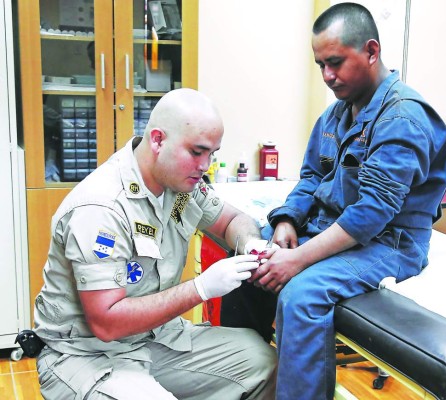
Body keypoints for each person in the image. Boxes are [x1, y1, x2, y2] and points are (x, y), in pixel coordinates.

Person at [249, 3, 446, 399]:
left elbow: (373, 212)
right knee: (251, 258)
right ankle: (251, 379)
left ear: (372, 52)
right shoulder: (335, 116)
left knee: (301, 294)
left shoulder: (403, 118)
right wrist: (287, 222)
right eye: (320, 65)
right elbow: (311, 177)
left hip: (390, 243)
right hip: (332, 229)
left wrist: (298, 260)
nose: (328, 76)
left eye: (336, 62)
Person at [33, 88, 277, 399]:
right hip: (87, 355)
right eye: (197, 152)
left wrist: (251, 243)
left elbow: (231, 221)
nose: (206, 165)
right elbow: (107, 323)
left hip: (155, 339)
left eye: (212, 153)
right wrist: (201, 288)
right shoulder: (101, 209)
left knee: (261, 362)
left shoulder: (181, 187)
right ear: (158, 140)